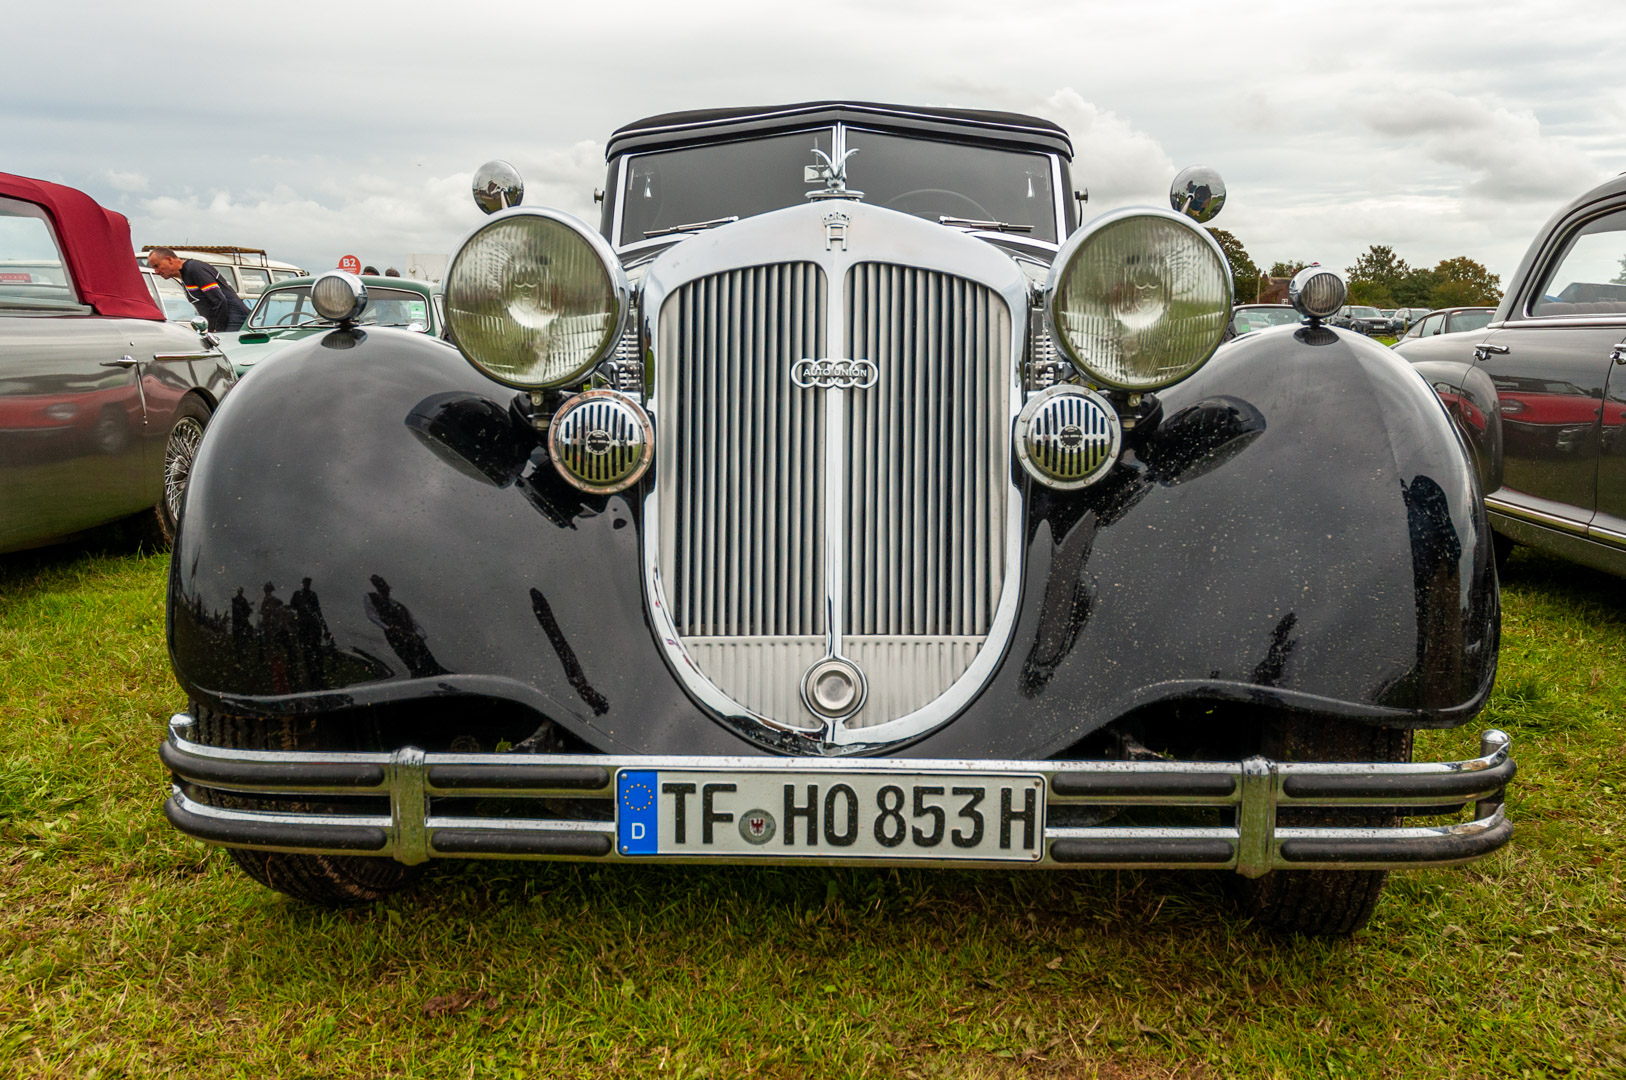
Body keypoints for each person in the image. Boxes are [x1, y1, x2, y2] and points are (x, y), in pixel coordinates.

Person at [146, 248, 250, 331]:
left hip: (234, 322)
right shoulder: (184, 276)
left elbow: (219, 300)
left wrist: (218, 330)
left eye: (157, 266)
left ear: (169, 260)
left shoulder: (195, 269)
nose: (156, 272)